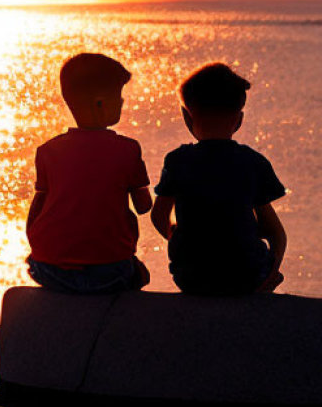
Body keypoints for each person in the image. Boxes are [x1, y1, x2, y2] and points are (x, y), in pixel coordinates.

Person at [151, 63, 286, 295]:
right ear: (239, 119)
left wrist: (182, 240)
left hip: (190, 277)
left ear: (186, 116)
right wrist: (272, 270)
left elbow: (159, 216)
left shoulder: (177, 161)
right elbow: (275, 232)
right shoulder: (253, 162)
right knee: (263, 261)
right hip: (246, 277)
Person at [26, 53, 152, 294]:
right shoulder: (128, 149)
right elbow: (143, 206)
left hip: (50, 268)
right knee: (139, 275)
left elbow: (37, 207)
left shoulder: (47, 151)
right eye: (120, 97)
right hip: (109, 269)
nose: (123, 103)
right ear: (100, 103)